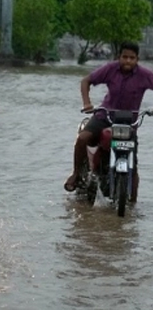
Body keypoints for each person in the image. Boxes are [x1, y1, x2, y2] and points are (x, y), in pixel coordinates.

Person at [64, 42, 153, 199]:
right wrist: (87, 103)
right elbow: (86, 81)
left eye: (132, 58)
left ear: (137, 59)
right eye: (124, 57)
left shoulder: (145, 75)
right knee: (82, 138)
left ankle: (132, 207)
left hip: (128, 123)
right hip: (104, 117)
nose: (128, 61)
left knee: (133, 165)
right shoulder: (110, 69)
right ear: (119, 57)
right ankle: (76, 174)